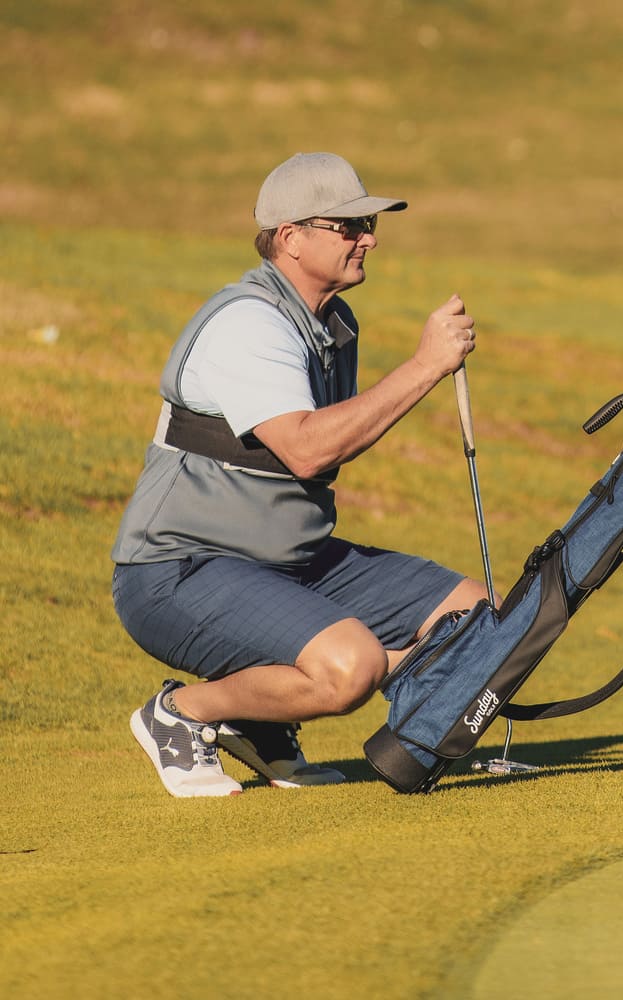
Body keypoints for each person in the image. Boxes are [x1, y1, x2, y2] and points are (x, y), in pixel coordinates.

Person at [112, 152, 487, 797]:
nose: (367, 237)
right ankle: (186, 713)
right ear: (289, 237)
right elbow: (310, 451)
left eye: (369, 224)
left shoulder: (333, 326)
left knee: (482, 619)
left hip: (291, 561)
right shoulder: (249, 324)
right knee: (352, 667)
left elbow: (329, 447)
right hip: (180, 568)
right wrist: (426, 365)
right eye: (347, 226)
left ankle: (265, 719)